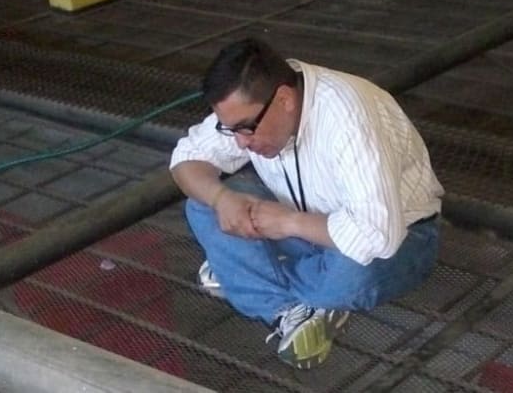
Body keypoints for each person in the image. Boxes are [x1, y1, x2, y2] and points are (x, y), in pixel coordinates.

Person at [169, 37, 444, 369]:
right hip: (307, 230)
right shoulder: (257, 104)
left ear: (284, 99)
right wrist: (221, 197)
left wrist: (288, 223)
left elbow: (376, 236)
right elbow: (186, 158)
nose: (242, 142)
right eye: (231, 132)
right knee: (203, 204)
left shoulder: (350, 117)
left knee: (355, 275)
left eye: (247, 129)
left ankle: (248, 277)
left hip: (403, 239)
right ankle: (290, 306)